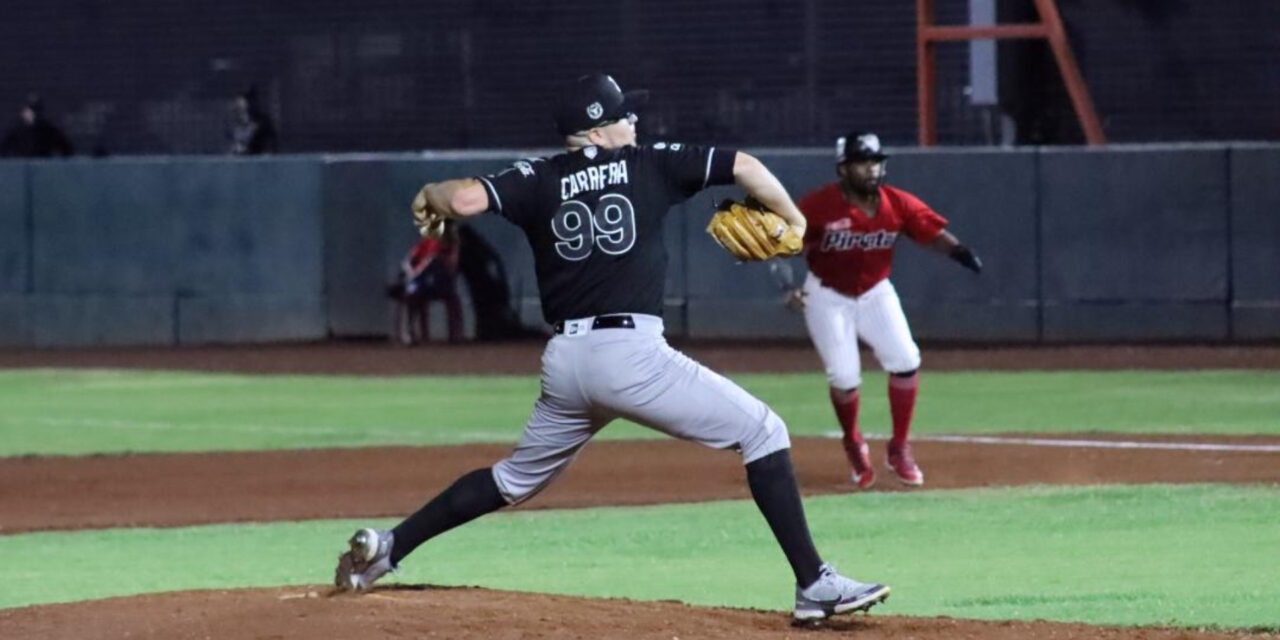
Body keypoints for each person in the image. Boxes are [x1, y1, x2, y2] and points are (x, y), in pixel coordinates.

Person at [334, 73, 891, 623]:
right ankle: (814, 584)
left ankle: (386, 548)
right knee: (764, 431)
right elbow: (744, 166)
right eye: (624, 114)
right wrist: (793, 219)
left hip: (567, 363)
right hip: (630, 355)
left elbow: (460, 198)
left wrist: (427, 197)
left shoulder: (538, 176)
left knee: (511, 479)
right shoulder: (651, 162)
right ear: (597, 129)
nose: (634, 120)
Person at [788, 132, 982, 490]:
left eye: (876, 161)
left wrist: (959, 252)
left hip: (876, 292)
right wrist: (788, 286)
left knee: (907, 360)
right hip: (827, 296)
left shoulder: (896, 203)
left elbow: (930, 230)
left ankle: (899, 448)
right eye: (863, 162)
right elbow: (785, 245)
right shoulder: (818, 206)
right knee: (845, 378)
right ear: (844, 168)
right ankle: (853, 442)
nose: (872, 169)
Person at [387, 221, 463, 343]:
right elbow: (408, 261)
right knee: (410, 293)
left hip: (440, 285)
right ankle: (408, 334)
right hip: (420, 285)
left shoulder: (450, 247)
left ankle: (455, 337)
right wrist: (410, 275)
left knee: (414, 289)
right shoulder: (425, 243)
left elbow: (449, 266)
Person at [0, 95, 73, 158]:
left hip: (43, 169)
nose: (33, 114)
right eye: (30, 110)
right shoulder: (16, 130)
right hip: (21, 169)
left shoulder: (49, 130)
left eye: (36, 110)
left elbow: (66, 149)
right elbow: (3, 149)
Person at [227, 88, 277, 155]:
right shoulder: (232, 125)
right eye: (237, 107)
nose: (238, 107)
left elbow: (270, 145)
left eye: (242, 105)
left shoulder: (263, 122)